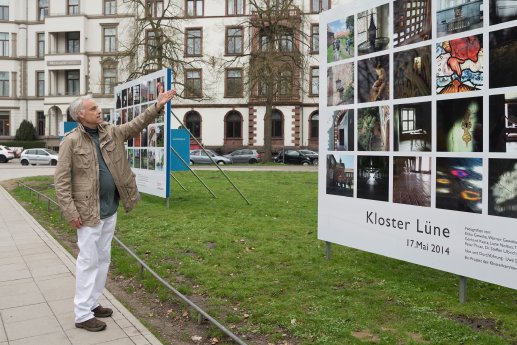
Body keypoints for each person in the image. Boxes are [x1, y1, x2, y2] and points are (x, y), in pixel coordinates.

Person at [54, 89, 176, 332]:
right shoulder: (70, 141)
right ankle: (81, 314)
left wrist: (157, 106)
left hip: (110, 208)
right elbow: (61, 181)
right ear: (80, 115)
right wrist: (70, 212)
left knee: (103, 258)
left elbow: (135, 125)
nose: (99, 110)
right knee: (88, 261)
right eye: (93, 108)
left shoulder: (110, 131)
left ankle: (93, 303)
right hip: (88, 212)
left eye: (98, 107)